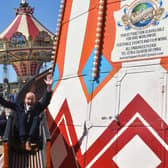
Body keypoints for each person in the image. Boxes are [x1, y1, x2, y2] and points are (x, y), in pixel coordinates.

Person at [0, 74, 53, 151]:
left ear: (35, 100)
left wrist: (48, 87)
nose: (30, 101)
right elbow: (6, 103)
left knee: (36, 118)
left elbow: (46, 101)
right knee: (22, 117)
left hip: (32, 136)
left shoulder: (37, 107)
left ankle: (27, 142)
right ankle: (22, 142)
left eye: (32, 99)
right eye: (28, 99)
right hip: (19, 134)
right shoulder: (19, 106)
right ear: (25, 99)